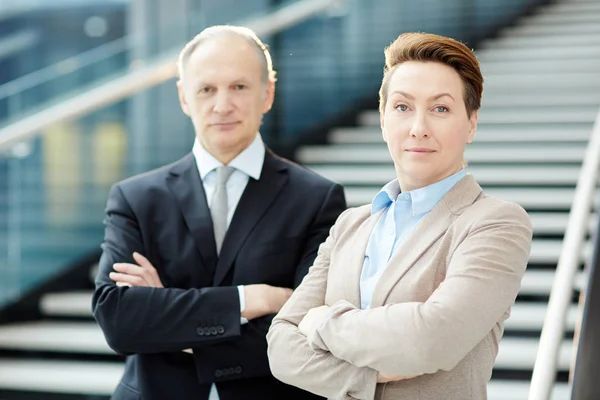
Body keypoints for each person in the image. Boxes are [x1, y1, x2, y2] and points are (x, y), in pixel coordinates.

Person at [266, 32, 533, 400]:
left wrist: (322, 322)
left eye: (440, 108)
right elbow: (281, 348)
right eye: (403, 107)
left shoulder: (495, 223)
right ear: (383, 119)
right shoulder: (351, 225)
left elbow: (434, 338)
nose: (418, 127)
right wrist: (371, 376)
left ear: (471, 123)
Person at [92, 25, 345, 400]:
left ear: (267, 93)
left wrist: (168, 317)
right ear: (184, 97)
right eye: (206, 89)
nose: (222, 105)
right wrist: (252, 299)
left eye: (239, 87)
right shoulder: (136, 199)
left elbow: (307, 331)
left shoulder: (317, 199)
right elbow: (119, 321)